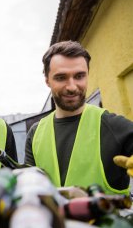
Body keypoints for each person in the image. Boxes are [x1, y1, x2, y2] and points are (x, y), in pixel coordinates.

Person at [24, 40, 133, 195]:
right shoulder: (35, 134)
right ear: (48, 81)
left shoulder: (113, 126)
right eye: (61, 78)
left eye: (79, 76)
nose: (72, 86)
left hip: (110, 219)